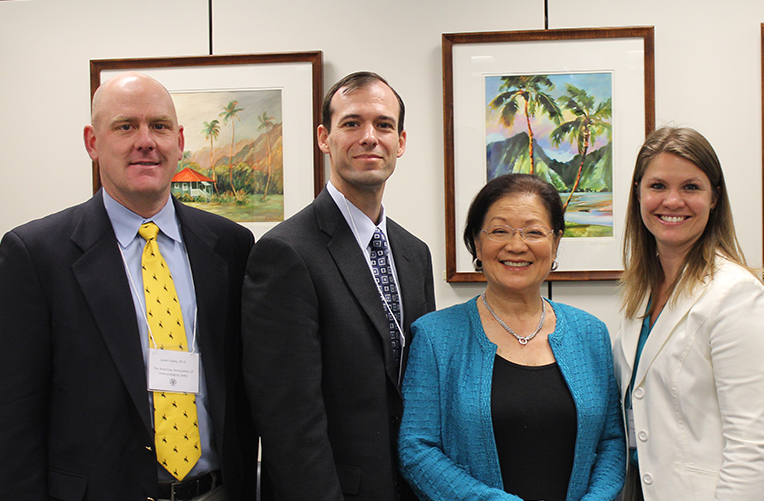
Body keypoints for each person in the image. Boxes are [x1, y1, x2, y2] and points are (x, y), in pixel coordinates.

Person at [0, 72, 257, 501]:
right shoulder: (36, 255)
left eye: (159, 126)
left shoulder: (231, 246)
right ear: (92, 142)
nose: (146, 141)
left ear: (179, 140)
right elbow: (14, 417)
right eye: (125, 126)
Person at [242, 71, 436, 500]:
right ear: (324, 138)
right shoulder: (285, 253)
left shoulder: (414, 253)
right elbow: (288, 419)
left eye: (383, 125)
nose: (369, 137)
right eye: (351, 123)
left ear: (401, 142)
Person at [398, 173, 625, 501]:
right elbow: (417, 449)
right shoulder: (435, 336)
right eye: (500, 231)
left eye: (534, 232)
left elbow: (611, 441)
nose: (517, 246)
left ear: (555, 243)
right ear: (477, 243)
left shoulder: (591, 333)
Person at [614, 126, 764, 500]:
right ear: (638, 193)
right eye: (658, 186)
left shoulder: (735, 294)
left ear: (714, 198)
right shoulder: (642, 290)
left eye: (691, 187)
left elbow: (752, 443)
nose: (672, 201)